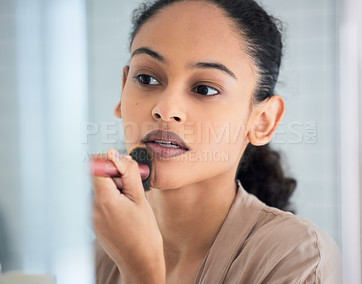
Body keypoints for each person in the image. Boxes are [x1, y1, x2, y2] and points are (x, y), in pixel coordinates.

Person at [92, 0, 341, 283]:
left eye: (205, 89)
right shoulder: (100, 250)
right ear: (123, 91)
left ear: (263, 121)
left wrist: (140, 270)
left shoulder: (298, 257)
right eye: (147, 78)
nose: (166, 108)